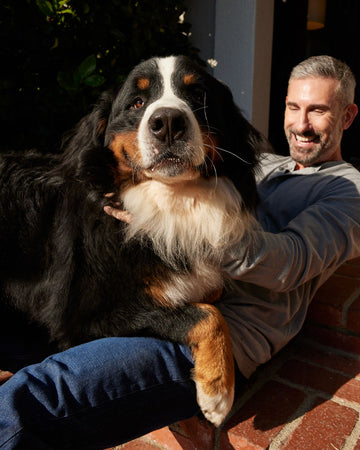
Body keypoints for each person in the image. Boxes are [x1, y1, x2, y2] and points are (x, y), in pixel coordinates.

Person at [1, 55, 360, 449]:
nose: (302, 123)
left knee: (35, 399)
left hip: (213, 340)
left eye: (319, 110)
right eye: (294, 107)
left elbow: (291, 263)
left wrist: (203, 227)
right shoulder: (261, 163)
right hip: (148, 306)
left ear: (347, 115)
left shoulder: (348, 190)